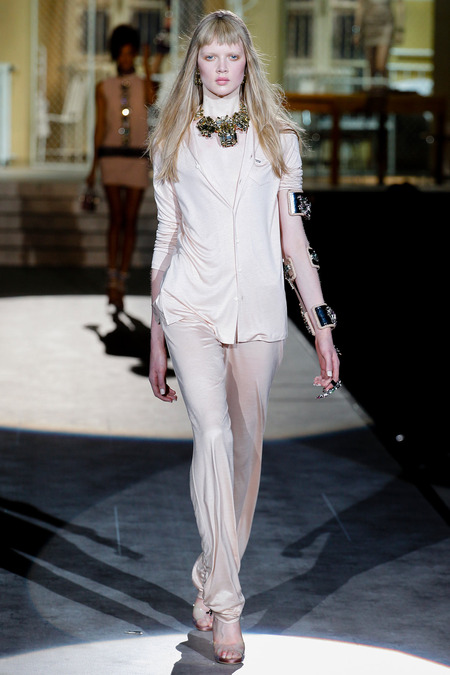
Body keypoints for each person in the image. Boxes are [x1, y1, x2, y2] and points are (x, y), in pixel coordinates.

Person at [148, 10, 340, 665]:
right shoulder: (171, 138)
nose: (223, 67)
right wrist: (156, 334)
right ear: (195, 64)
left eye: (233, 56)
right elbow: (166, 237)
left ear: (247, 62)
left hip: (258, 311)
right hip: (189, 305)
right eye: (211, 56)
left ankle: (211, 570)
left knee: (246, 453)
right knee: (213, 435)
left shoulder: (278, 138)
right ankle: (227, 604)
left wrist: (321, 326)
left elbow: (295, 241)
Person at [86, 25, 159, 311]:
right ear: (116, 54)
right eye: (122, 53)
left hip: (137, 159)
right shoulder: (103, 87)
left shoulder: (143, 83)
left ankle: (122, 279)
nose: (126, 58)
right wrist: (93, 167)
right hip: (111, 158)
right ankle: (112, 278)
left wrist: (148, 66)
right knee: (116, 218)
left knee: (130, 220)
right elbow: (99, 127)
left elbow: (153, 102)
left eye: (130, 53)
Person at [353, 0, 405, 83]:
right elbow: (360, 7)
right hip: (369, 27)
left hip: (385, 26)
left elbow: (400, 5)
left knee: (381, 66)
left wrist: (399, 29)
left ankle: (385, 87)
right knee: (372, 68)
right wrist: (357, 30)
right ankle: (373, 88)